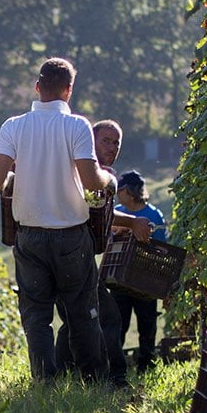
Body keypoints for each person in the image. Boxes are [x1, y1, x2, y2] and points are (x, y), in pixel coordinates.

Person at [0, 58, 116, 382]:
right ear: (69, 90)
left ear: (37, 87)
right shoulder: (76, 126)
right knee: (82, 313)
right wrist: (108, 181)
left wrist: (21, 174)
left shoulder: (13, 126)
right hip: (71, 235)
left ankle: (44, 381)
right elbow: (90, 181)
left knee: (36, 315)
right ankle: (91, 382)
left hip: (28, 236)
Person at [53, 118, 150, 386]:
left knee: (73, 318)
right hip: (72, 253)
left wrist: (114, 227)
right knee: (106, 316)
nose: (112, 146)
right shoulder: (88, 171)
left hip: (70, 251)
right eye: (106, 140)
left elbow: (95, 212)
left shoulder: (100, 171)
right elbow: (87, 209)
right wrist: (131, 222)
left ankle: (56, 375)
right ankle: (114, 378)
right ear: (90, 141)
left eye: (116, 142)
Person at [109, 169, 168, 371]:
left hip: (145, 279)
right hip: (119, 278)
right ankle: (116, 365)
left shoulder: (153, 215)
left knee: (147, 323)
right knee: (118, 324)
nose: (117, 193)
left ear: (129, 191)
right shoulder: (116, 211)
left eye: (120, 189)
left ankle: (146, 364)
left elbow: (161, 248)